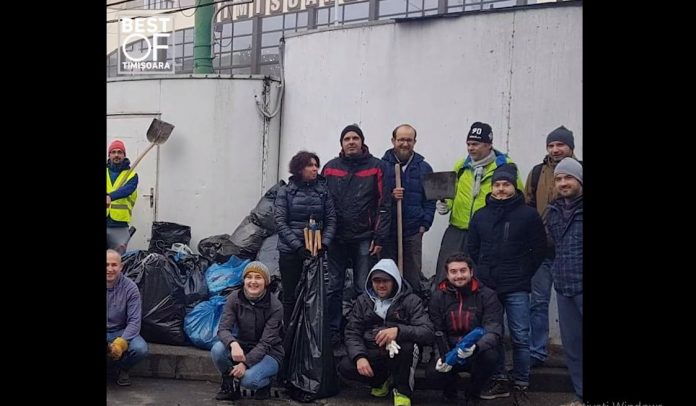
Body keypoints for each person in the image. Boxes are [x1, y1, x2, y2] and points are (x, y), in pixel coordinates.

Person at [466, 164, 546, 405]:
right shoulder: (480, 215)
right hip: (488, 286)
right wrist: (483, 272)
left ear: (514, 187)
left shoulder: (528, 215)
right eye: (497, 185)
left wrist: (523, 272)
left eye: (506, 185)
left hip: (517, 285)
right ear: (492, 188)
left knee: (520, 335)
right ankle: (499, 378)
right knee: (494, 334)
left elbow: (538, 249)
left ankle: (521, 382)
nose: (501, 189)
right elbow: (473, 248)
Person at [321, 124, 391, 344]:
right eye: (347, 139)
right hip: (336, 237)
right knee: (334, 286)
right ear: (341, 144)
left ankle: (361, 329)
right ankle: (332, 330)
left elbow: (384, 205)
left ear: (362, 142)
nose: (351, 142)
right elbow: (322, 202)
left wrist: (379, 237)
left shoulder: (377, 167)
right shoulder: (330, 168)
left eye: (355, 138)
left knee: (363, 286)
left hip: (364, 236)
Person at [434, 122, 524, 283]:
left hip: (487, 232)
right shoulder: (461, 166)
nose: (470, 148)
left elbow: (518, 199)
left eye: (475, 144)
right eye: (468, 144)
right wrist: (445, 204)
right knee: (446, 275)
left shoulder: (505, 167)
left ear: (488, 145)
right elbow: (451, 193)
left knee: (480, 278)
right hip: (458, 230)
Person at [338, 259, 434, 406]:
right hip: (373, 349)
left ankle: (402, 391)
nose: (381, 285)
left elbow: (427, 331)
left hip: (399, 351)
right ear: (371, 281)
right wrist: (359, 357)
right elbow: (352, 332)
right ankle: (381, 381)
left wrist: (399, 331)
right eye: (377, 281)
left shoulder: (411, 300)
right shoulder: (362, 301)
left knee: (408, 348)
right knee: (346, 366)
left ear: (394, 281)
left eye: (386, 281)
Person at [524, 125, 580, 368]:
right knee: (538, 302)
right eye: (551, 145)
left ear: (571, 147)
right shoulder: (537, 173)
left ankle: (575, 356)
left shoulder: (580, 171)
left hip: (574, 254)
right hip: (542, 251)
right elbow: (527, 205)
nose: (555, 149)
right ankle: (537, 351)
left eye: (560, 144)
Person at [426, 253, 502, 405]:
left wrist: (476, 347)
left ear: (471, 272)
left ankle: (473, 394)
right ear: (447, 274)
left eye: (463, 270)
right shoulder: (438, 297)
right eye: (453, 272)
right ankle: (450, 394)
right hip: (449, 349)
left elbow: (493, 329)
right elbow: (436, 329)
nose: (459, 276)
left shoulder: (487, 295)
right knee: (433, 372)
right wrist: (441, 356)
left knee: (491, 356)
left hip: (475, 350)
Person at [274, 150, 336, 328]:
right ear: (299, 168)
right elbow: (280, 221)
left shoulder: (323, 192)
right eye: (310, 165)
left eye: (316, 165)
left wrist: (324, 244)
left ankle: (311, 336)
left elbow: (331, 219)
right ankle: (289, 335)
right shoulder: (286, 192)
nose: (315, 169)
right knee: (290, 295)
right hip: (290, 252)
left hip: (316, 251)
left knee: (314, 295)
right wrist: (298, 247)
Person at [211, 261, 284, 401]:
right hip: (243, 346)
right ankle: (229, 386)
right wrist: (233, 343)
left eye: (258, 277)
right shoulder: (234, 298)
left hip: (270, 353)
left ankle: (266, 383)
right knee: (217, 349)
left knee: (249, 380)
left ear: (266, 282)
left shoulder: (275, 306)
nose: (253, 281)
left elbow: (265, 343)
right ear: (244, 280)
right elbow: (223, 329)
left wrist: (245, 364)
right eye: (249, 277)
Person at [380, 124, 436, 298]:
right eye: (401, 140)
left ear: (414, 142)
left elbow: (430, 200)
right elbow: (374, 197)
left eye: (409, 140)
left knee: (412, 277)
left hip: (412, 231)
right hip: (388, 232)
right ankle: (389, 308)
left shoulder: (424, 168)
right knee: (387, 276)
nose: (405, 144)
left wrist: (424, 224)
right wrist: (390, 196)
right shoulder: (381, 166)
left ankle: (412, 309)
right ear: (393, 141)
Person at [545, 158, 583, 406]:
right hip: (564, 286)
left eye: (568, 177)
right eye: (558, 179)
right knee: (573, 347)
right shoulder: (554, 211)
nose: (563, 183)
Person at [106, 249, 148, 386]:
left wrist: (120, 343)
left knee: (140, 349)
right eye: (107, 265)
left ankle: (121, 368)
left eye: (114, 265)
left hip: (121, 331)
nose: (110, 269)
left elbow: (134, 321)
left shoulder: (130, 288)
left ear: (121, 267)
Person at [107, 139, 138, 254]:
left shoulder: (132, 175)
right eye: (113, 152)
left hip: (119, 226)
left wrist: (110, 196)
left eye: (119, 152)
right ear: (109, 155)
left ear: (124, 155)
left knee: (117, 259)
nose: (116, 155)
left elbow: (127, 189)